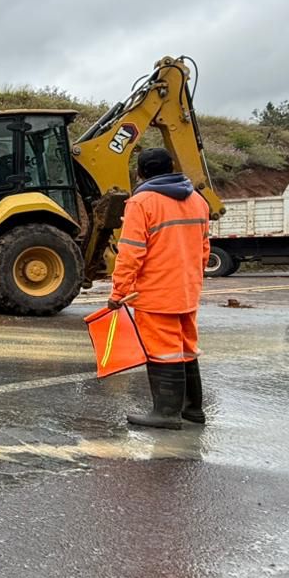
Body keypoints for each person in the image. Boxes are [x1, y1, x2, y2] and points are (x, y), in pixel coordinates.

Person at [108, 148, 211, 429]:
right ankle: (193, 410)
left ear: (140, 172)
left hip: (155, 293)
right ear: (171, 167)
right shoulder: (198, 200)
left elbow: (130, 253)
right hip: (187, 290)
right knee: (186, 348)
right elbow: (204, 248)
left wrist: (118, 292)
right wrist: (191, 278)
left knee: (163, 351)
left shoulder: (141, 203)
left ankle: (166, 413)